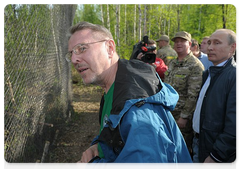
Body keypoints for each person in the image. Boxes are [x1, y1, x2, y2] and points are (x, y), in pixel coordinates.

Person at [66, 21, 194, 169]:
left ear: (109, 48)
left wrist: (94, 166)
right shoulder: (113, 88)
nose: (74, 60)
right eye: (71, 53)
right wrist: (99, 144)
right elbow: (117, 131)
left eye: (82, 48)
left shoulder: (137, 106)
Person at [192, 29, 240, 169]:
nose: (210, 47)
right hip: (200, 143)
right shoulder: (208, 73)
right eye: (209, 43)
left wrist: (217, 156)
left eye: (217, 43)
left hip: (214, 150)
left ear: (232, 47)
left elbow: (235, 124)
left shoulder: (236, 77)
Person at [164, 31, 204, 155]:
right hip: (168, 113)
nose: (178, 44)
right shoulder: (172, 63)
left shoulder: (195, 65)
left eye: (182, 41)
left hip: (182, 118)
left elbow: (194, 94)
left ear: (190, 44)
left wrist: (184, 116)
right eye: (176, 41)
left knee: (182, 150)